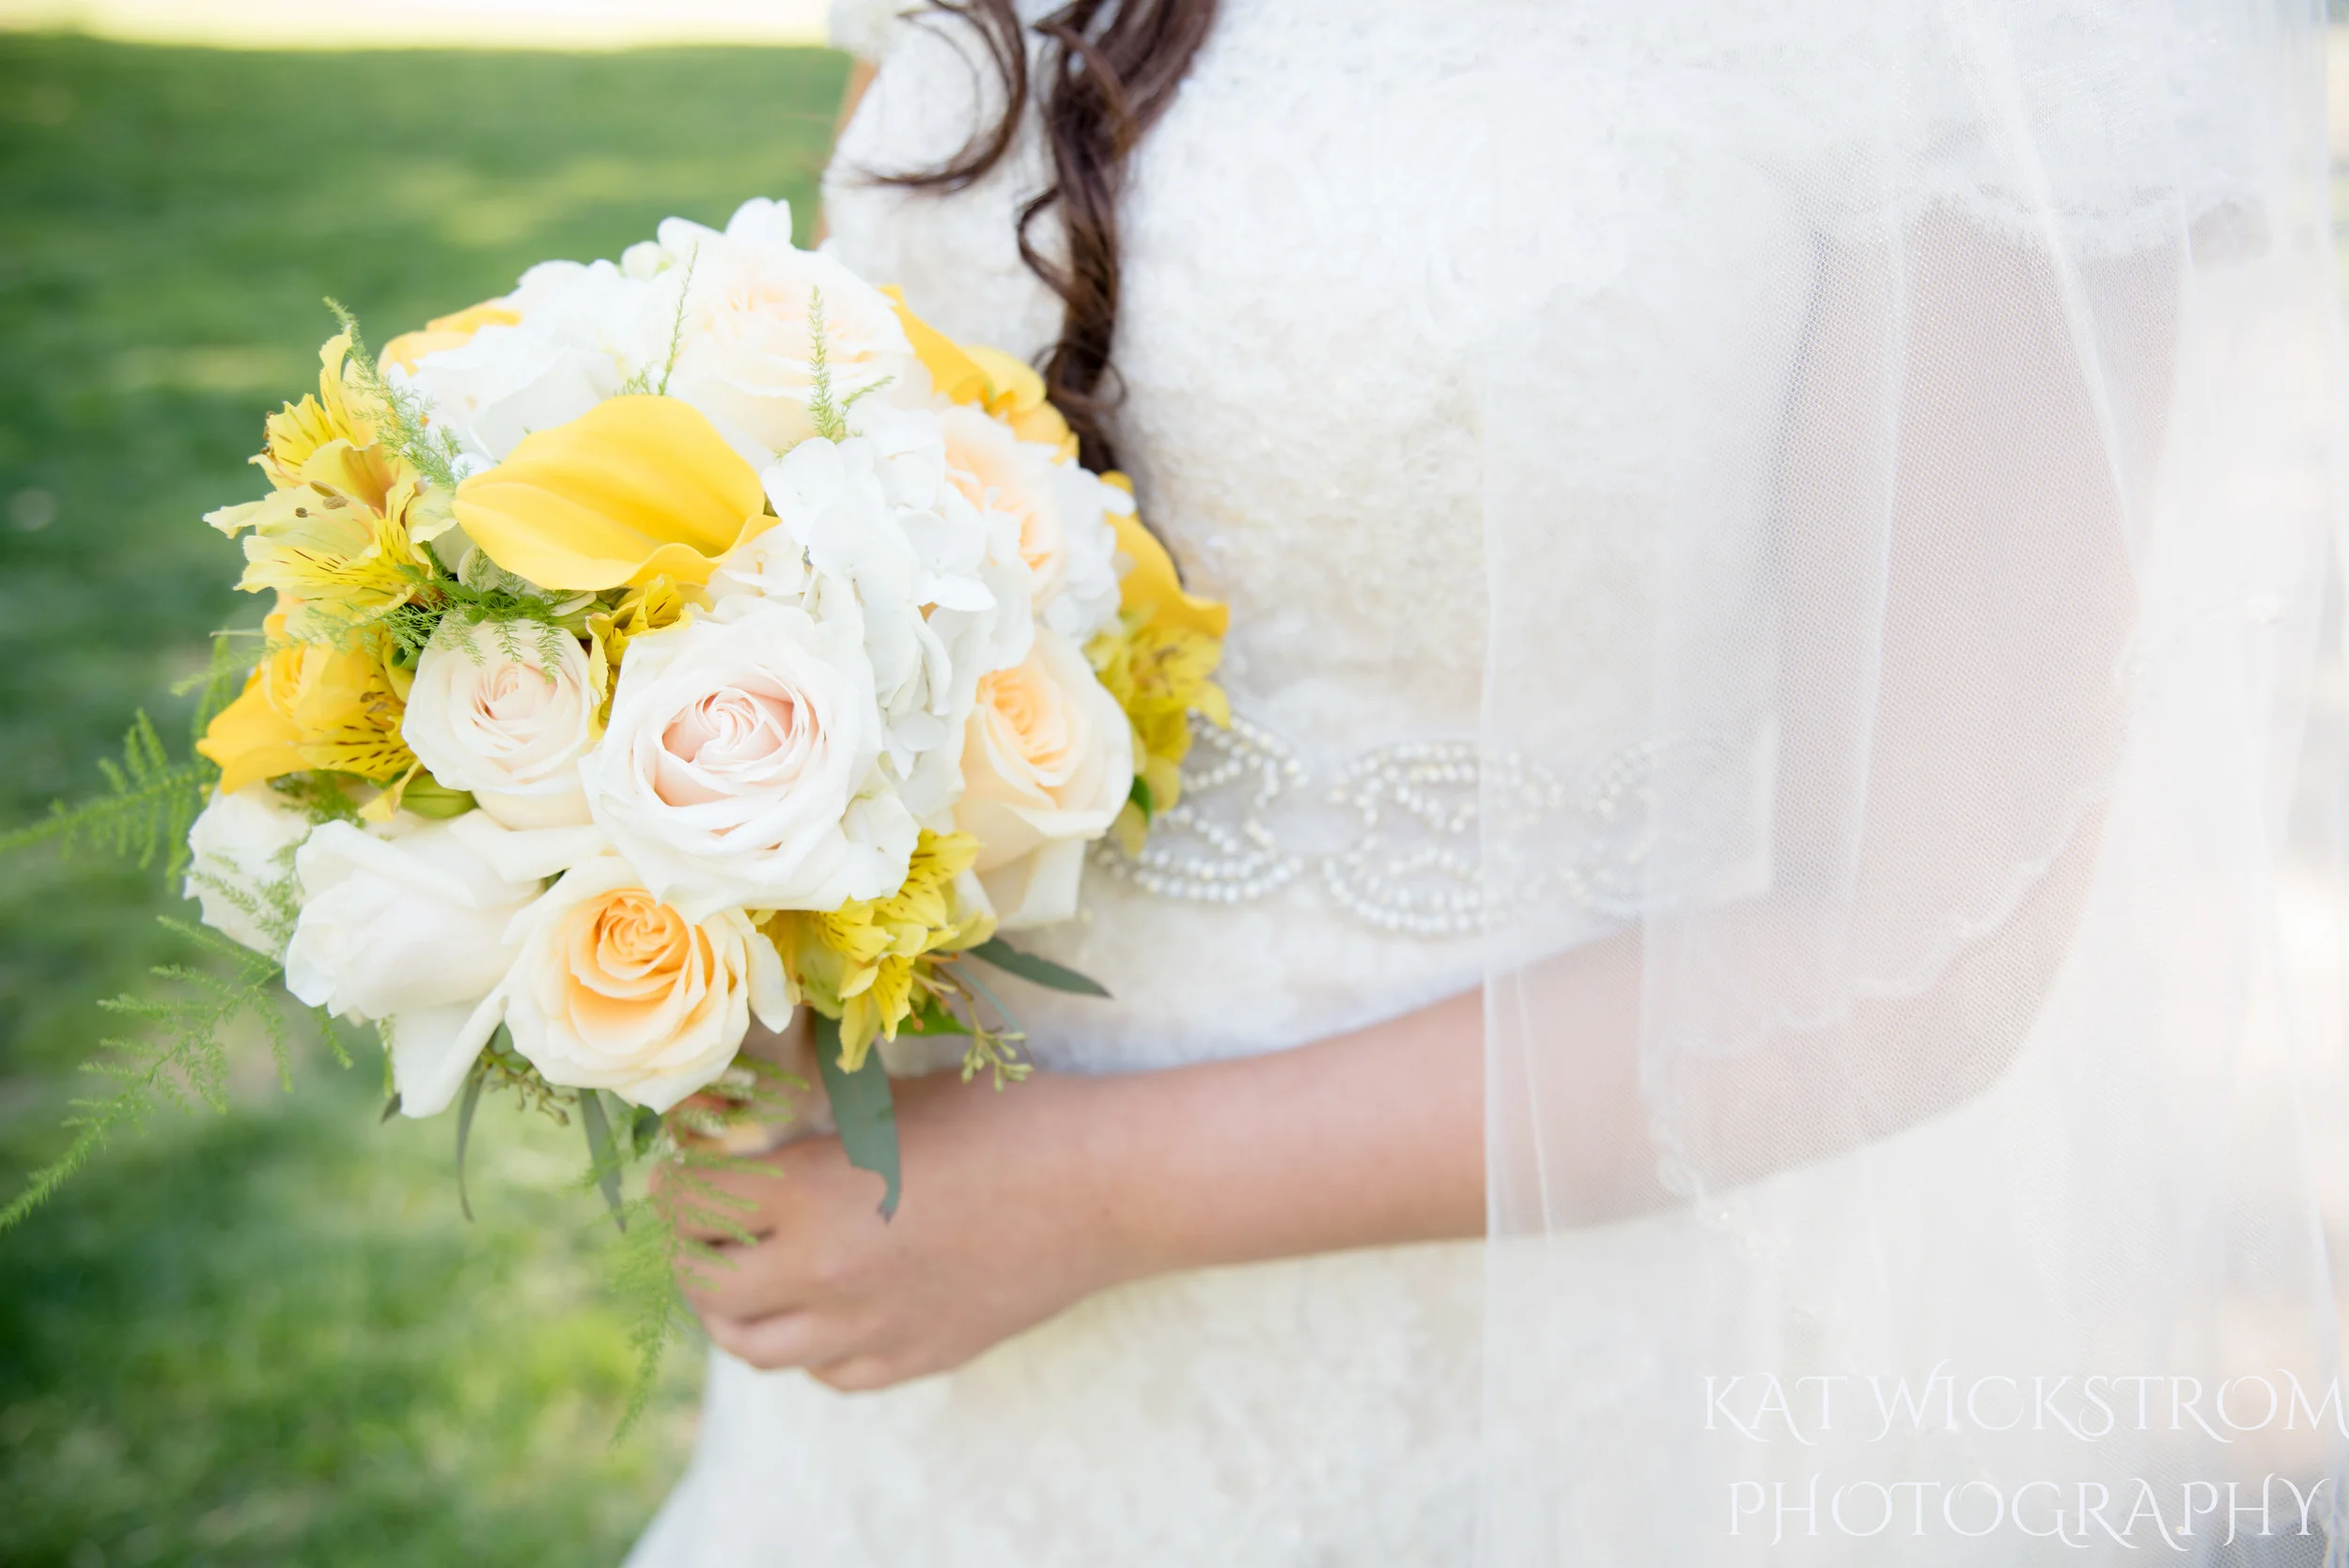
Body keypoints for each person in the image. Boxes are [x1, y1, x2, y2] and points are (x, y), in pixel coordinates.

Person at [630, 3, 2349, 1562]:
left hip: (1472, 1384)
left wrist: (1076, 1195)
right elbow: (832, 418)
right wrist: (702, 856)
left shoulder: (1987, 42)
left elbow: (1931, 946)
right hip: (881, 1318)